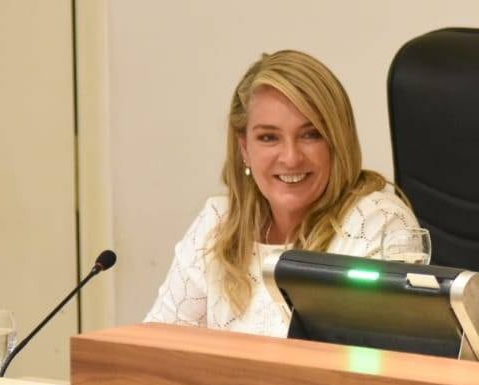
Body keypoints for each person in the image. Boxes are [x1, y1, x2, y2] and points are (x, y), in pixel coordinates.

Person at [146, 50, 419, 336]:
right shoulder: (218, 222)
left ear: (337, 142)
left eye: (310, 135)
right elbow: (154, 347)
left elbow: (369, 367)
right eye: (269, 137)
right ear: (244, 149)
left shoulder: (378, 223)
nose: (291, 158)